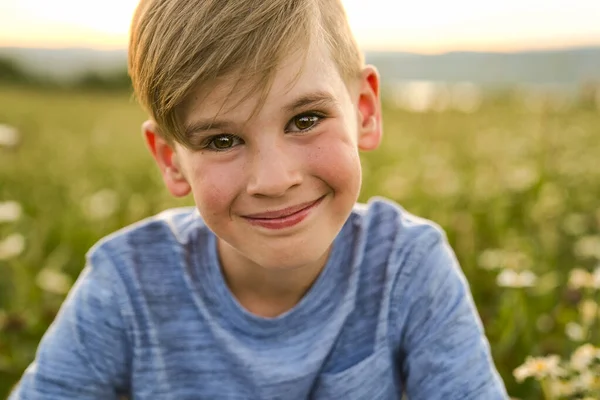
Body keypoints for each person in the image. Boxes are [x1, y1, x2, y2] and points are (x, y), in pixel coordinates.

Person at [10, 0, 508, 398]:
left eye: (305, 119)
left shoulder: (407, 268)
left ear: (365, 110)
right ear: (170, 160)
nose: (273, 180)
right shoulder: (127, 283)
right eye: (220, 141)